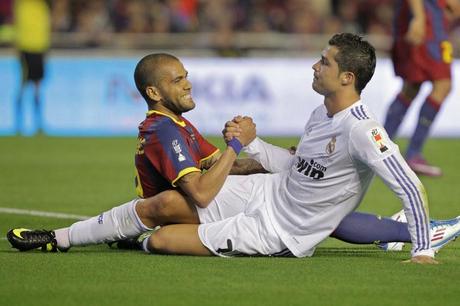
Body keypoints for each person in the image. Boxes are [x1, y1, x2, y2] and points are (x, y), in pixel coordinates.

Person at [7, 48, 460, 261]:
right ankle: (61, 239)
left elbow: (407, 181)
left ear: (346, 77)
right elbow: (298, 167)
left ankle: (413, 234)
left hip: (277, 228)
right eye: (179, 79)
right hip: (271, 193)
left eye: (323, 62)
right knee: (165, 206)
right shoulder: (321, 114)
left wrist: (422, 252)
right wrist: (255, 148)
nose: (313, 66)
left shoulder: (362, 129)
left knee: (161, 238)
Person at [384, 0, 460, 176]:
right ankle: (412, 154)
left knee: (412, 85)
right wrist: (419, 17)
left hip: (432, 15)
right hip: (425, 15)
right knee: (442, 84)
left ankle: (381, 149)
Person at [14, 0, 51, 135]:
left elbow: (45, 29)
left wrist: (46, 50)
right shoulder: (22, 5)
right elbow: (18, 26)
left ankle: (38, 124)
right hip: (26, 49)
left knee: (37, 88)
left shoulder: (41, 6)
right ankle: (18, 124)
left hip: (39, 49)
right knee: (23, 86)